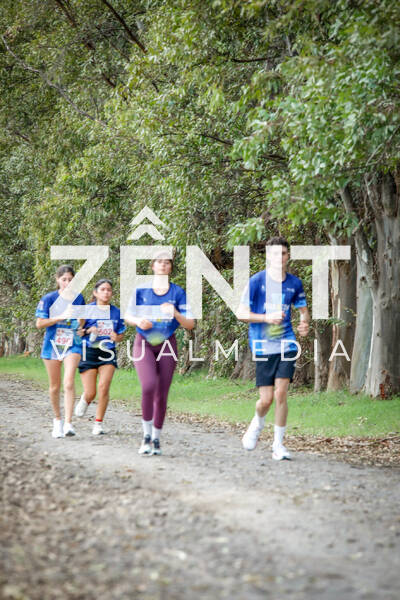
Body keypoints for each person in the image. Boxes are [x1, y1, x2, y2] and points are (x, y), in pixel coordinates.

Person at [238, 237, 310, 460]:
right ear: (268, 256)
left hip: (286, 343)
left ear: (288, 256)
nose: (280, 257)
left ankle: (278, 445)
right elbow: (241, 314)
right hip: (262, 345)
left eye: (284, 253)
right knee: (266, 399)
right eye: (275, 253)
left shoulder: (294, 283)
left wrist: (304, 324)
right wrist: (266, 318)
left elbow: (303, 310)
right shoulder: (256, 281)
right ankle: (257, 423)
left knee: (281, 394)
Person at [125, 253, 195, 456]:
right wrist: (138, 321)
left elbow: (190, 324)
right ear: (153, 266)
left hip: (167, 344)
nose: (163, 265)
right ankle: (145, 436)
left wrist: (176, 313)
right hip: (144, 343)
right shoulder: (141, 290)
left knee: (162, 393)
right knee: (148, 386)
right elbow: (128, 315)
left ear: (170, 268)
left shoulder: (178, 292)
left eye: (167, 263)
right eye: (159, 262)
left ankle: (156, 438)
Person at [35, 264, 85, 438]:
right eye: (64, 279)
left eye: (71, 280)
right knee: (54, 386)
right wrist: (60, 317)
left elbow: (82, 321)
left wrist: (80, 323)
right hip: (53, 344)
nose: (67, 283)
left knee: (69, 381)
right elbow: (40, 323)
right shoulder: (49, 298)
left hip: (73, 343)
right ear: (57, 280)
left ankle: (69, 423)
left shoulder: (79, 298)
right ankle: (58, 421)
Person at [74, 279, 125, 435]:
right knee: (91, 392)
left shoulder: (116, 312)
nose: (106, 292)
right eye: (102, 289)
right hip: (88, 351)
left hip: (107, 352)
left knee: (104, 387)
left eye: (109, 290)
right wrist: (88, 330)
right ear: (95, 293)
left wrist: (116, 337)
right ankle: (85, 399)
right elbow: (77, 332)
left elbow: (121, 335)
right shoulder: (86, 310)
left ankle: (98, 423)